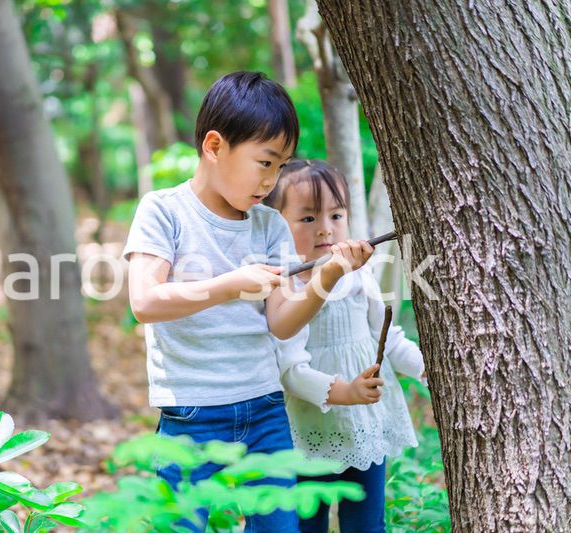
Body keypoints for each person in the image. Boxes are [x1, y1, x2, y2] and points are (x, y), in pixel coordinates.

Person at [122, 72, 374, 532]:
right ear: (214, 146)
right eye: (265, 162)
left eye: (281, 166)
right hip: (191, 414)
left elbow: (281, 322)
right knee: (181, 524)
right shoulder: (163, 211)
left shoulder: (268, 226)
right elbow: (145, 301)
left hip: (264, 410)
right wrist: (228, 285)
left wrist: (330, 273)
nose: (272, 180)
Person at [265, 159, 426, 533]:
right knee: (308, 523)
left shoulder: (359, 278)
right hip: (311, 428)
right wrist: (346, 391)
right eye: (307, 219)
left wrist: (424, 368)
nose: (325, 229)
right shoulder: (287, 289)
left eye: (336, 216)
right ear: (278, 225)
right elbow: (292, 371)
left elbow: (385, 338)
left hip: (364, 423)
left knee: (366, 524)